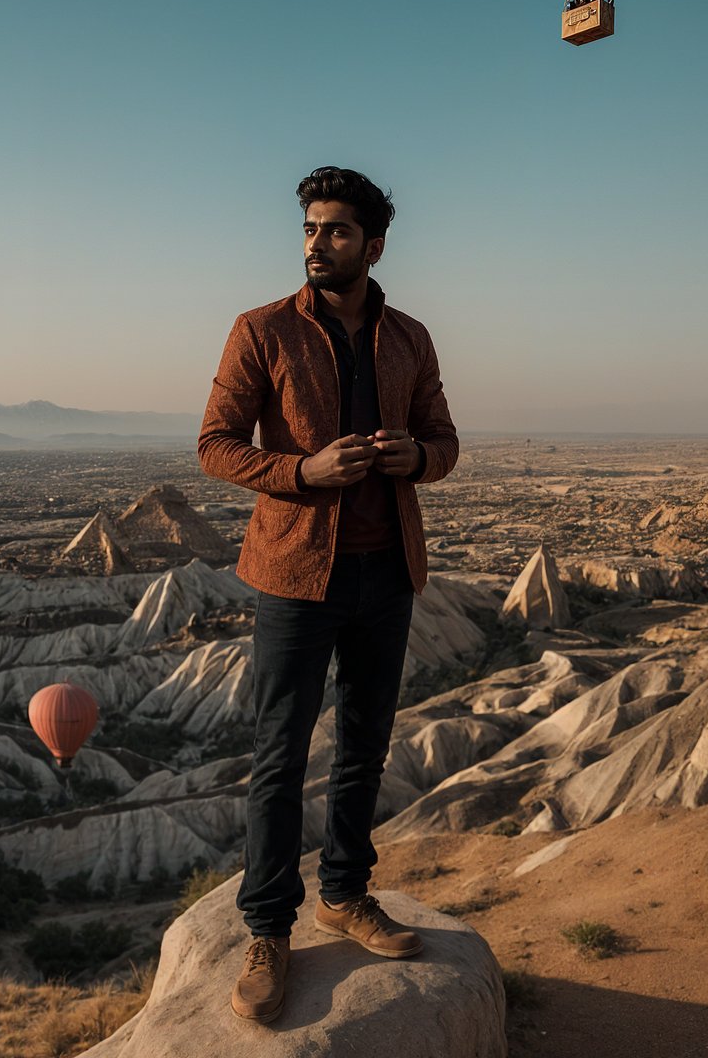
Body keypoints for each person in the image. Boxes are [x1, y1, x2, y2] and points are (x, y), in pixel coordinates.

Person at [198, 166, 459, 1023]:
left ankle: (344, 894)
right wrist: (302, 471)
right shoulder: (262, 329)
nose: (317, 243)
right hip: (294, 576)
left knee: (365, 745)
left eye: (337, 231)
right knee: (279, 757)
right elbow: (216, 445)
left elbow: (445, 440)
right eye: (310, 228)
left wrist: (412, 459)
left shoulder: (410, 337)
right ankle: (268, 929)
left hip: (387, 575)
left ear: (373, 245)